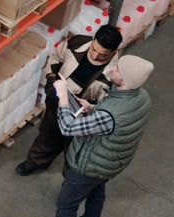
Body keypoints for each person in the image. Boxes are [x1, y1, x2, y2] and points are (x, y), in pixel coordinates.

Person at [29, 55, 154, 217]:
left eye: (117, 69)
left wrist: (63, 97)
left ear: (125, 79)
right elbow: (115, 116)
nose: (112, 69)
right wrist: (91, 107)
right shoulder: (141, 97)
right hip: (110, 162)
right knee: (97, 192)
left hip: (90, 164)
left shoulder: (110, 115)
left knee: (66, 204)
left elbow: (68, 127)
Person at [15, 25, 122, 176]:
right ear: (93, 39)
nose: (95, 56)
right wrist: (51, 77)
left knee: (73, 150)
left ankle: (69, 179)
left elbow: (108, 104)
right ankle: (36, 161)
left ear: (114, 51)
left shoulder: (115, 74)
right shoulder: (77, 43)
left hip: (82, 117)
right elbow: (56, 57)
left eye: (103, 55)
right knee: (47, 134)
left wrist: (90, 107)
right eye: (93, 49)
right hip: (57, 101)